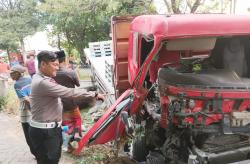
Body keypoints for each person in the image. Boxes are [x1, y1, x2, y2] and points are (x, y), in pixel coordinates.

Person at [29, 50, 104, 164]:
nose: (57, 68)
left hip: (47, 128)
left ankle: (70, 143)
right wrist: (94, 94)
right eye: (54, 65)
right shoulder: (42, 82)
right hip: (45, 131)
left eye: (57, 65)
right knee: (51, 160)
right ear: (43, 64)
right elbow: (69, 92)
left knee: (49, 159)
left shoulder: (38, 77)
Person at [53, 50, 82, 152]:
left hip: (59, 105)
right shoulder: (70, 72)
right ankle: (78, 135)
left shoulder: (52, 74)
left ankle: (69, 146)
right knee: (77, 120)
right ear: (64, 59)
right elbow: (78, 84)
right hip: (72, 103)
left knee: (65, 125)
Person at [9, 65, 36, 157]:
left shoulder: (17, 84)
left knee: (28, 135)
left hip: (26, 111)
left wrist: (31, 110)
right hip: (36, 108)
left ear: (18, 73)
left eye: (12, 74)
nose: (11, 76)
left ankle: (36, 153)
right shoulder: (29, 79)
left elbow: (25, 99)